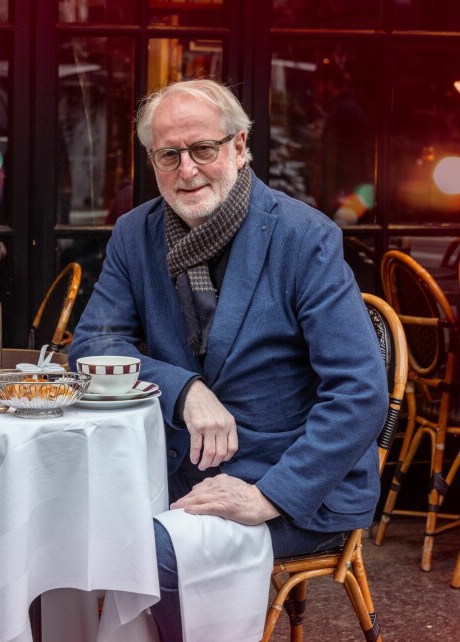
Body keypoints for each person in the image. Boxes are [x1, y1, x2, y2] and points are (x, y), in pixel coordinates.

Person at [68, 79, 387, 641]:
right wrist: (184, 389)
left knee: (146, 555)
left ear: (240, 147)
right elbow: (92, 347)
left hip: (296, 486)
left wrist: (270, 496)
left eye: (203, 150)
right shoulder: (134, 233)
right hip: (175, 470)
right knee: (60, 531)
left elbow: (360, 393)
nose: (187, 169)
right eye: (170, 155)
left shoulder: (304, 237)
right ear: (152, 161)